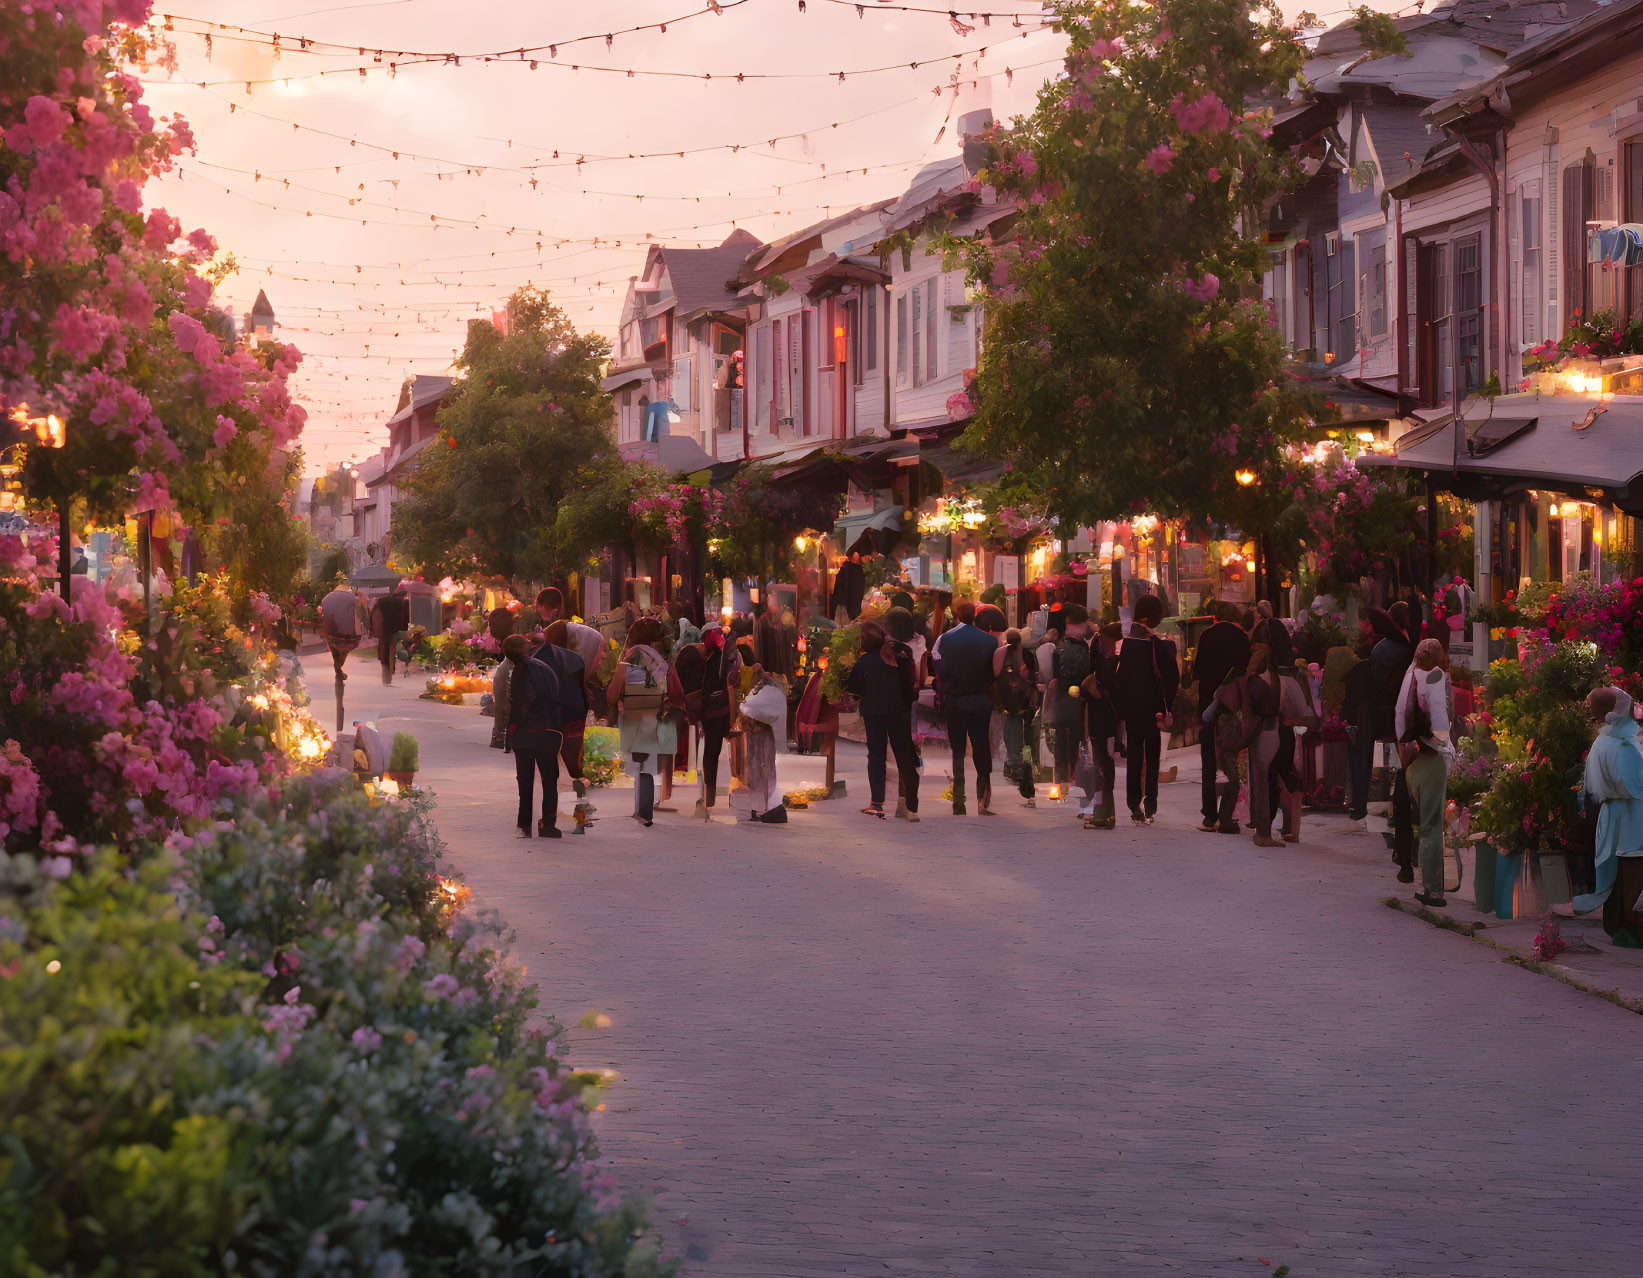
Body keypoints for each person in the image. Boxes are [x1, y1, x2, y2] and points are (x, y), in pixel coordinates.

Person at [1572, 687, 1643, 944]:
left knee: (1617, 870)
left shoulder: (1603, 741)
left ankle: (1620, 925)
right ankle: (1629, 928)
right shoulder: (1623, 741)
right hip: (1630, 814)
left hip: (1613, 812)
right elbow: (1634, 782)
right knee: (1631, 870)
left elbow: (1591, 787)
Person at [1395, 638, 1455, 907]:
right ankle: (1432, 889)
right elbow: (1440, 718)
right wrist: (1444, 745)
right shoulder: (1435, 677)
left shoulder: (1410, 675)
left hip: (1411, 759)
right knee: (1432, 826)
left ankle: (1421, 880)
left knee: (1422, 823)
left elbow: (1399, 716)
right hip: (1431, 756)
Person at [1112, 593, 1179, 825]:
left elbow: (1119, 677)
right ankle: (1150, 804)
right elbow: (1171, 677)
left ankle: (1134, 804)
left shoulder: (1127, 644)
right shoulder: (1156, 645)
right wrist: (1166, 707)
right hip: (1153, 710)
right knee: (1151, 756)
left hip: (1132, 709)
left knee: (1135, 757)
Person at [930, 600, 998, 815]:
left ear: (958, 616)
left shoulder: (944, 639)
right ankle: (982, 799)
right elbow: (995, 669)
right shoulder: (990, 641)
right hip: (980, 699)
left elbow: (936, 663)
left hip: (955, 700)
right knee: (981, 747)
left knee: (958, 750)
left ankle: (958, 800)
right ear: (975, 617)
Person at [849, 620, 921, 820]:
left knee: (876, 756)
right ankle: (912, 806)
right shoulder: (897, 657)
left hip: (874, 714)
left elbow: (854, 687)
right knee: (904, 756)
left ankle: (877, 804)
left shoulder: (864, 662)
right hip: (899, 712)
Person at [1368, 607, 1418, 881]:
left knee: (1391, 783)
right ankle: (1408, 851)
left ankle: (1399, 848)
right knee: (1406, 789)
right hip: (1406, 728)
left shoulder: (1379, 650)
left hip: (1384, 721)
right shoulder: (1409, 655)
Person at [1192, 601, 1250, 833]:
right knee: (1233, 761)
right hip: (1234, 707)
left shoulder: (1207, 636)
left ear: (1215, 618)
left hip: (1209, 706)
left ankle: (1209, 816)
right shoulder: (1242, 638)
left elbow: (1197, 673)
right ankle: (1230, 813)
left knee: (1208, 763)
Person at [499, 634, 564, 839]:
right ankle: (548, 824)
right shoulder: (544, 668)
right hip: (548, 731)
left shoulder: (520, 672)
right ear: (526, 647)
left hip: (527, 732)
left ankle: (523, 825)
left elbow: (521, 704)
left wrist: (513, 729)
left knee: (525, 781)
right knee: (549, 780)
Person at [614, 616, 675, 827]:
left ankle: (643, 810)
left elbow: (624, 682)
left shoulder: (634, 654)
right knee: (646, 763)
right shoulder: (657, 656)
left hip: (636, 713)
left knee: (639, 763)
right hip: (653, 713)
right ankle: (644, 810)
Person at [677, 623, 742, 822]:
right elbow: (733, 687)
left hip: (714, 714)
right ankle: (724, 797)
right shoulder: (728, 654)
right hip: (722, 712)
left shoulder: (709, 655)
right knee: (732, 758)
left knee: (710, 758)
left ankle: (709, 800)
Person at [538, 620, 591, 806]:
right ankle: (579, 810)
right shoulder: (576, 659)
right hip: (574, 718)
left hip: (551, 719)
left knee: (550, 768)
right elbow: (582, 690)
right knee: (575, 769)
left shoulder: (540, 659)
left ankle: (552, 810)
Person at [1046, 605, 1091, 802]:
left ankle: (1061, 783)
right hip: (1079, 702)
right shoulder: (1087, 650)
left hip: (1062, 702)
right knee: (1075, 743)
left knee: (1060, 745)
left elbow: (1054, 678)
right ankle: (1073, 779)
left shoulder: (1058, 650)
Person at [1081, 622, 1123, 829]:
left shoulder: (1113, 665)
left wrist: (1096, 693)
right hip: (1100, 725)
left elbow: (1114, 697)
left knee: (1103, 770)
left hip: (1107, 725)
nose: (1099, 640)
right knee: (1102, 769)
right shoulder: (1104, 663)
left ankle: (1104, 814)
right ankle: (1105, 813)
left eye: (1103, 636)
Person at [994, 627, 1040, 806]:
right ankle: (1028, 773)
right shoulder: (1027, 654)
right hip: (1027, 703)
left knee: (1012, 738)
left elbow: (997, 676)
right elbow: (1036, 674)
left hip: (1010, 705)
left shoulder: (1002, 655)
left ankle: (1015, 767)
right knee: (1028, 741)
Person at [319, 575, 361, 683]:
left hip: (330, 631)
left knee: (335, 652)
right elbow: (359, 613)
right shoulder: (352, 598)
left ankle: (338, 670)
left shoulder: (327, 598)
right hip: (347, 633)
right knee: (343, 652)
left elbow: (322, 613)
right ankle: (338, 669)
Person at [371, 584, 410, 684]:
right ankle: (391, 673)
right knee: (394, 649)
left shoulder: (382, 602)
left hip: (384, 630)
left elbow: (375, 616)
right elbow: (407, 617)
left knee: (384, 652)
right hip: (397, 630)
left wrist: (374, 631)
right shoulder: (405, 603)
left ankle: (387, 675)